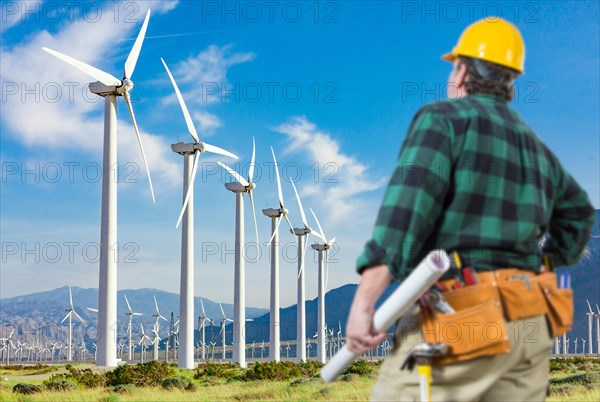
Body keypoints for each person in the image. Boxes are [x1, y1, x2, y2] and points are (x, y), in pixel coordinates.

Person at [346, 17, 595, 401]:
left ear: (461, 70)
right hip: (530, 320)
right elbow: (580, 214)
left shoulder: (442, 120)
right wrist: (542, 263)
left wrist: (364, 304)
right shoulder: (535, 145)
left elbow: (403, 218)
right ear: (510, 80)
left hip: (461, 315)